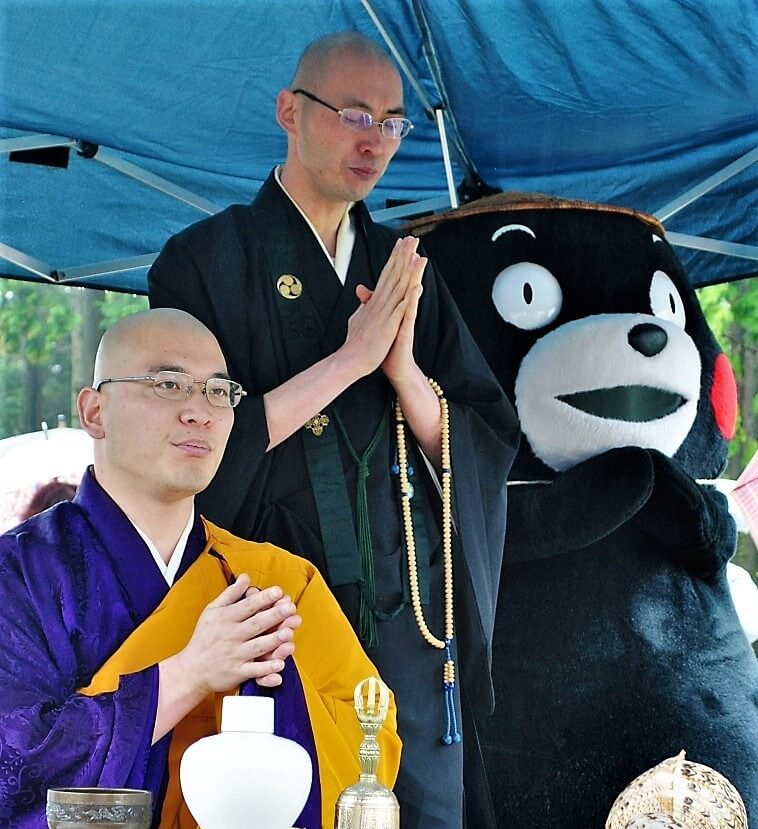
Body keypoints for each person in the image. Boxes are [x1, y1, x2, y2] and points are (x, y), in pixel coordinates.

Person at [148, 32, 519, 829]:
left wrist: (401, 372)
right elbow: (190, 440)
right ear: (290, 110)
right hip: (274, 616)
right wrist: (348, 360)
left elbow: (483, 434)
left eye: (392, 122)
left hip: (408, 612)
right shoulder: (204, 262)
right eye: (354, 113)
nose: (374, 140)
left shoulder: (404, 264)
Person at [0, 308, 400, 829]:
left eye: (218, 392)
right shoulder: (18, 575)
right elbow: (13, 765)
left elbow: (369, 735)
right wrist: (189, 674)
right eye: (168, 384)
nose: (200, 412)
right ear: (95, 411)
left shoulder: (278, 582)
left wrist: (273, 697)